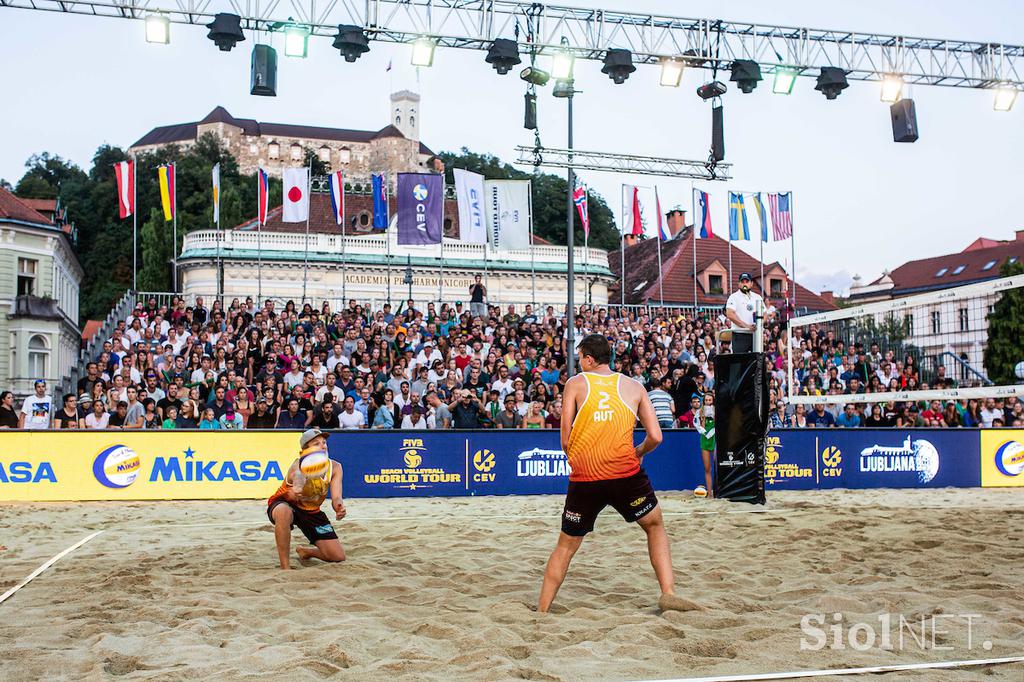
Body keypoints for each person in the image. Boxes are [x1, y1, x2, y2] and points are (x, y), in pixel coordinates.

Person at [538, 333, 698, 614]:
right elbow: (656, 437)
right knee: (654, 525)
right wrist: (637, 453)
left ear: (589, 359)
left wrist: (580, 458)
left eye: (580, 358)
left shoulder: (575, 384)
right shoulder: (634, 386)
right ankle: (668, 592)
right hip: (624, 473)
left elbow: (565, 440)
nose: (578, 364)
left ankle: (542, 610)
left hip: (585, 476)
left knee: (565, 546)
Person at [267, 428, 346, 570]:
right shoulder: (298, 464)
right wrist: (297, 487)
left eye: (324, 442)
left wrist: (339, 507)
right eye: (316, 443)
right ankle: (285, 568)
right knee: (283, 512)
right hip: (287, 503)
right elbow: (298, 475)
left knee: (338, 556)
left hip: (311, 510)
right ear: (306, 450)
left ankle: (306, 552)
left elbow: (336, 496)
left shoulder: (335, 467)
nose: (323, 445)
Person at [725, 272, 763, 353]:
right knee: (739, 362)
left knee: (756, 361)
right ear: (739, 284)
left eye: (747, 282)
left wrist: (759, 324)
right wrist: (746, 326)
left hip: (755, 335)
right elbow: (730, 314)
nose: (744, 284)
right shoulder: (733, 297)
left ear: (751, 284)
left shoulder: (757, 297)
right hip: (740, 335)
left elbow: (765, 313)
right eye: (742, 282)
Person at [694, 393, 715, 498]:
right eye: (706, 400)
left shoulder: (716, 411)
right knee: (707, 468)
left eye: (710, 400)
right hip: (705, 439)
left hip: (715, 439)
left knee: (718, 465)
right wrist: (704, 431)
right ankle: (710, 493)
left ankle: (718, 491)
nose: (708, 402)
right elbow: (697, 425)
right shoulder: (699, 412)